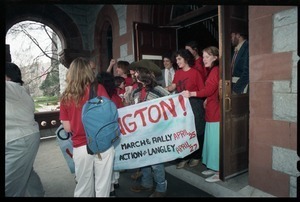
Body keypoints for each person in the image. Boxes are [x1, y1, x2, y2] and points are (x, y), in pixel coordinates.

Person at [59, 57, 114, 197]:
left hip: (81, 146)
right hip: (102, 143)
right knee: (103, 185)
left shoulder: (65, 97)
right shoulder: (99, 88)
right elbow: (110, 115)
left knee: (83, 186)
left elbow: (67, 128)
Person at [5, 62, 45, 197]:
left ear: (7, 77)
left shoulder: (11, 88)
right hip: (23, 139)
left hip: (20, 140)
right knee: (25, 172)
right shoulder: (19, 91)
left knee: (10, 186)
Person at [129, 66, 170, 197]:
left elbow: (171, 104)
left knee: (156, 162)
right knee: (144, 159)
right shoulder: (135, 92)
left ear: (145, 75)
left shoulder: (158, 90)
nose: (135, 75)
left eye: (137, 73)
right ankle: (146, 183)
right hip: (140, 133)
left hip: (156, 132)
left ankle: (161, 188)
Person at [182, 46, 220, 183]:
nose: (203, 60)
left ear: (215, 58)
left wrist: (192, 93)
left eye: (206, 57)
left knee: (216, 143)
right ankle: (214, 166)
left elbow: (209, 89)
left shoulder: (215, 70)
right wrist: (205, 99)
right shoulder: (212, 70)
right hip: (211, 110)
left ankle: (220, 171)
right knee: (211, 141)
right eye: (203, 57)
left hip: (216, 112)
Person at [165, 49, 206, 169]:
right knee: (183, 132)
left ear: (186, 59)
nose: (176, 62)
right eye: (176, 59)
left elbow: (203, 91)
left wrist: (191, 93)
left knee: (197, 130)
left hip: (194, 104)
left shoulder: (195, 73)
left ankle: (197, 156)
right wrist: (162, 88)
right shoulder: (178, 73)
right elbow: (173, 85)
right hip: (181, 106)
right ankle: (185, 156)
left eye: (179, 59)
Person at [97, 71, 125, 197]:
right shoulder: (115, 97)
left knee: (105, 161)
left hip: (103, 132)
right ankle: (116, 180)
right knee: (115, 156)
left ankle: (111, 187)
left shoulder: (97, 96)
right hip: (115, 131)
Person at [230, 29, 249, 94]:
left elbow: (247, 72)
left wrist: (236, 89)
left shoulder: (247, 47)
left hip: (242, 88)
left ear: (238, 35)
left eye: (231, 36)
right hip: (233, 85)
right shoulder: (235, 50)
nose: (230, 39)